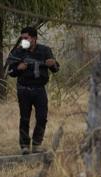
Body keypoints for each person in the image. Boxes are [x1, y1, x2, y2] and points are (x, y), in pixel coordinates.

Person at [6, 26, 59, 155]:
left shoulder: (45, 51)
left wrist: (53, 64)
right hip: (24, 89)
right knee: (25, 118)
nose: (23, 40)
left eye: (26, 38)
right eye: (22, 38)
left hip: (39, 89)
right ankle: (24, 145)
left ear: (34, 38)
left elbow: (56, 69)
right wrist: (19, 68)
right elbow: (11, 72)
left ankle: (36, 144)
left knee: (42, 117)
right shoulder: (17, 52)